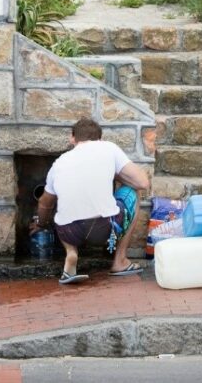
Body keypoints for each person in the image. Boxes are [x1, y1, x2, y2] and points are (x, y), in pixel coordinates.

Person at [33, 118, 150, 285]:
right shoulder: (108, 148)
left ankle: (71, 252)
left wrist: (41, 223)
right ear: (100, 139)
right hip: (105, 228)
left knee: (59, 207)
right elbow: (142, 183)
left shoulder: (58, 163)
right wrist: (115, 173)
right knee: (133, 192)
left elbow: (45, 203)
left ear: (72, 138)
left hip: (70, 232)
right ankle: (120, 262)